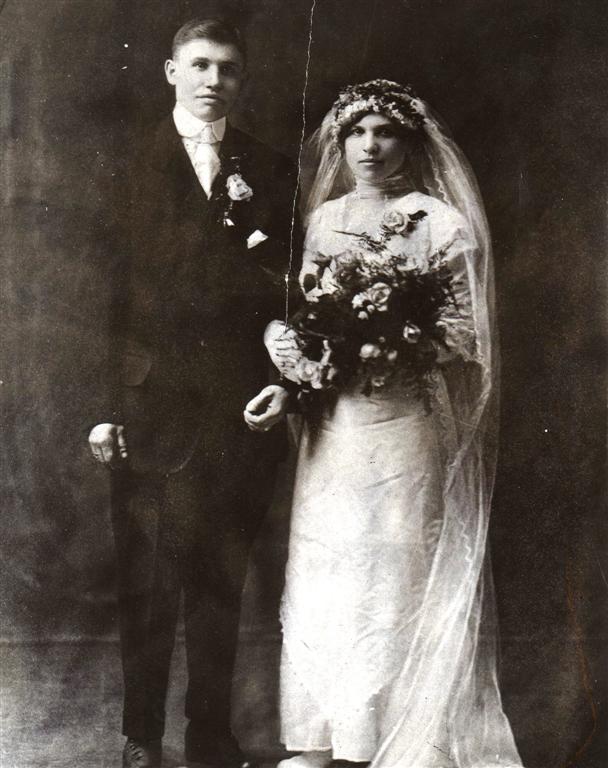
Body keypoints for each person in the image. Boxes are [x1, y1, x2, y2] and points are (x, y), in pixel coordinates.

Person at [265, 80, 523, 768]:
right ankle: (321, 738)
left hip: (404, 422)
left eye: (385, 133)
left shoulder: (439, 222)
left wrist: (398, 342)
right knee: (327, 565)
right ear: (340, 142)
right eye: (357, 133)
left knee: (392, 567)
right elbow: (311, 318)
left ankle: (393, 739)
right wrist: (302, 360)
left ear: (408, 144)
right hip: (336, 429)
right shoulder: (322, 220)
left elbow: (466, 334)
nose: (370, 146)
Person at [88, 18, 295, 768]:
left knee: (221, 580)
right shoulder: (123, 164)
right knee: (148, 583)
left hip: (238, 405)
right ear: (172, 73)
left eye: (229, 69)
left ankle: (211, 735)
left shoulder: (270, 169)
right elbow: (99, 295)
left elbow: (285, 289)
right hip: (151, 405)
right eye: (200, 65)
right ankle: (141, 735)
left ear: (243, 81)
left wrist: (278, 380)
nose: (214, 79)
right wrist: (105, 405)